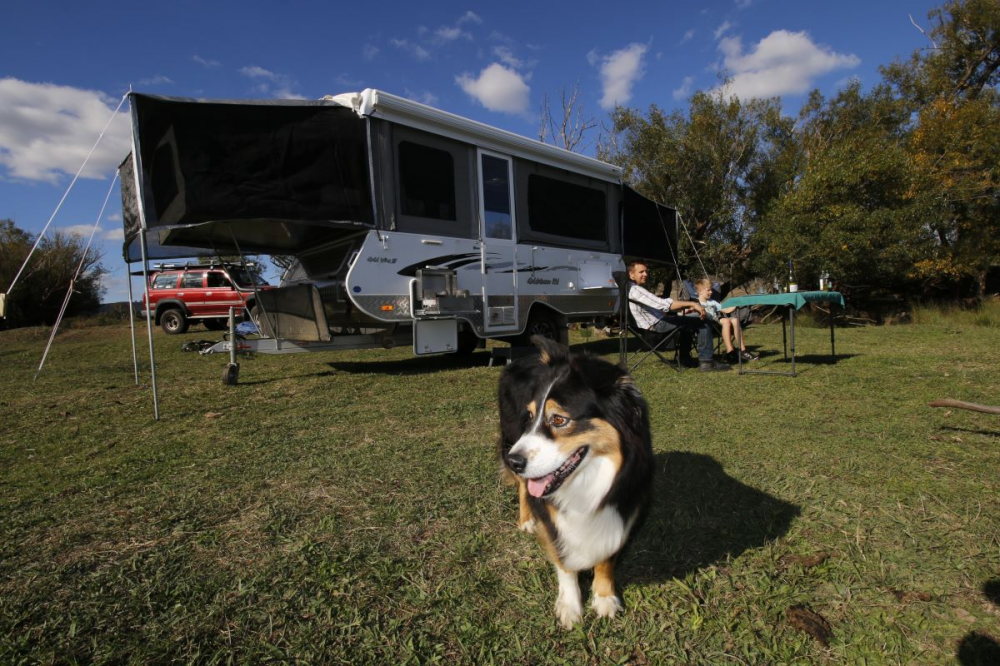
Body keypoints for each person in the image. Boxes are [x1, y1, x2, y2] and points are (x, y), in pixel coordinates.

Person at [626, 261, 730, 372]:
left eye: (646, 271)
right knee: (704, 319)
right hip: (656, 326)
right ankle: (707, 362)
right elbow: (663, 304)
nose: (645, 274)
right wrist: (693, 304)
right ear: (631, 274)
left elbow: (661, 306)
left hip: (657, 322)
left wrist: (685, 308)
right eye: (641, 272)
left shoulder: (631, 288)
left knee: (689, 321)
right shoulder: (635, 290)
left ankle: (685, 359)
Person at [693, 277, 758, 364]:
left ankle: (743, 350)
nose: (711, 292)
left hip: (715, 321)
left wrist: (735, 304)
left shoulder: (713, 302)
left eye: (711, 290)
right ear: (700, 291)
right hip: (705, 324)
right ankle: (730, 351)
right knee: (726, 321)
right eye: (708, 290)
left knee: (735, 320)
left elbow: (726, 310)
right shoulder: (695, 303)